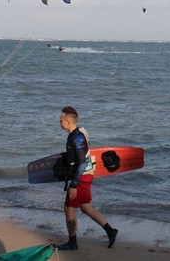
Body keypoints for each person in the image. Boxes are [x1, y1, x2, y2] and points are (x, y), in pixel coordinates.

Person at [57, 106, 118, 251]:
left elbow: (82, 162)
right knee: (85, 207)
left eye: (61, 119)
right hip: (86, 175)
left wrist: (73, 184)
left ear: (68, 121)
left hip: (82, 177)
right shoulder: (78, 133)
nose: (59, 122)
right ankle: (110, 231)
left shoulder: (77, 137)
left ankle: (72, 242)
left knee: (69, 208)